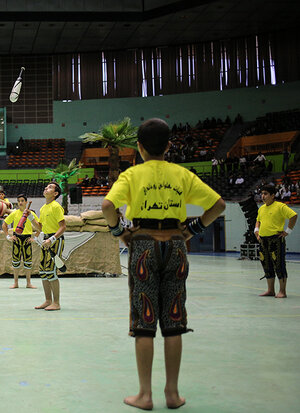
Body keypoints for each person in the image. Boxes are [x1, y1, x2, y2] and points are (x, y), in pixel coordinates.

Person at [102, 118, 225, 410]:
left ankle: (144, 395)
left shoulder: (132, 175)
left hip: (143, 244)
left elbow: (108, 206)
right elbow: (218, 205)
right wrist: (193, 230)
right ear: (169, 146)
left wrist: (120, 233)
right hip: (175, 245)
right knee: (173, 319)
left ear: (139, 147)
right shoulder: (181, 173)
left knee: (144, 322)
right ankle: (172, 393)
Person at [254, 185, 297, 298]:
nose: (263, 196)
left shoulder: (280, 206)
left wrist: (288, 231)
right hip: (263, 240)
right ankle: (270, 290)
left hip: (276, 240)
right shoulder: (261, 208)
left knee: (279, 265)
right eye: (262, 193)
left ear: (273, 196)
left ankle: (282, 291)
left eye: (266, 194)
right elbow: (258, 220)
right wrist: (256, 230)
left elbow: (293, 215)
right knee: (266, 265)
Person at [28, 182, 66, 311]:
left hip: (56, 240)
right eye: (46, 186)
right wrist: (30, 218)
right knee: (43, 272)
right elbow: (40, 227)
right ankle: (48, 300)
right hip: (45, 240)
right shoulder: (44, 208)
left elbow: (63, 227)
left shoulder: (56, 207)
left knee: (51, 271)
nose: (46, 188)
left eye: (50, 187)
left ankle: (56, 302)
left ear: (55, 194)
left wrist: (52, 238)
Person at [2, 194, 38, 289]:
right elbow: (4, 225)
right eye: (19, 201)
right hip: (17, 238)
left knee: (28, 262)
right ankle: (16, 283)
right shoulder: (14, 213)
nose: (20, 203)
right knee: (16, 262)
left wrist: (35, 238)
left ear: (26, 202)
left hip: (27, 239)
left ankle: (28, 283)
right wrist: (8, 236)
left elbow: (39, 227)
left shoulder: (31, 214)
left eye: (22, 200)